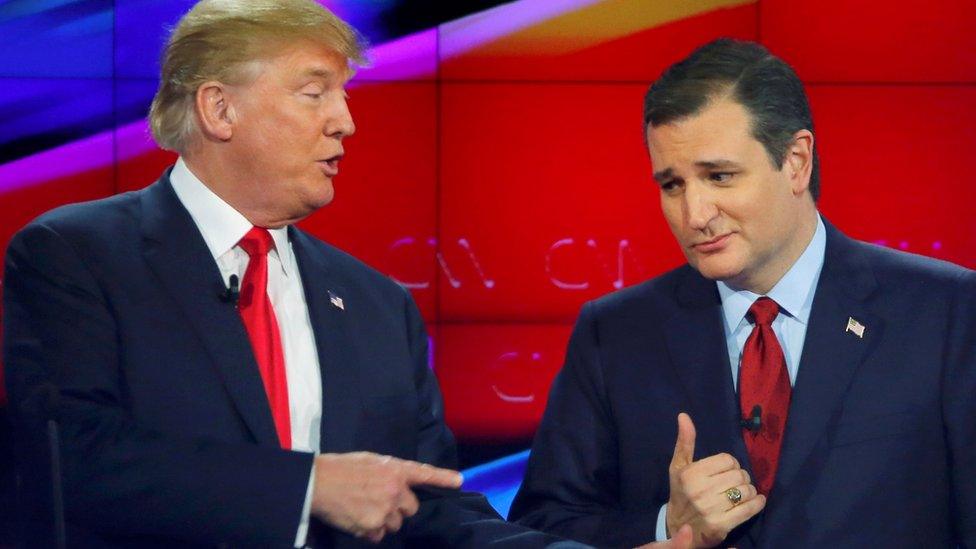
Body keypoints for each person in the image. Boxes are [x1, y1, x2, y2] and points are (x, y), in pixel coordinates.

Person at [2, 1, 697, 547]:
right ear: (219, 108)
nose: (346, 122)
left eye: (344, 93)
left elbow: (429, 507)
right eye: (315, 92)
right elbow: (77, 461)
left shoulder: (375, 304)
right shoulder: (74, 256)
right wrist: (307, 488)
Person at [509, 38, 976, 548]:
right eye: (672, 185)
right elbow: (543, 524)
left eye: (719, 176)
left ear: (796, 161)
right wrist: (669, 526)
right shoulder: (615, 333)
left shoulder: (947, 313)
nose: (695, 214)